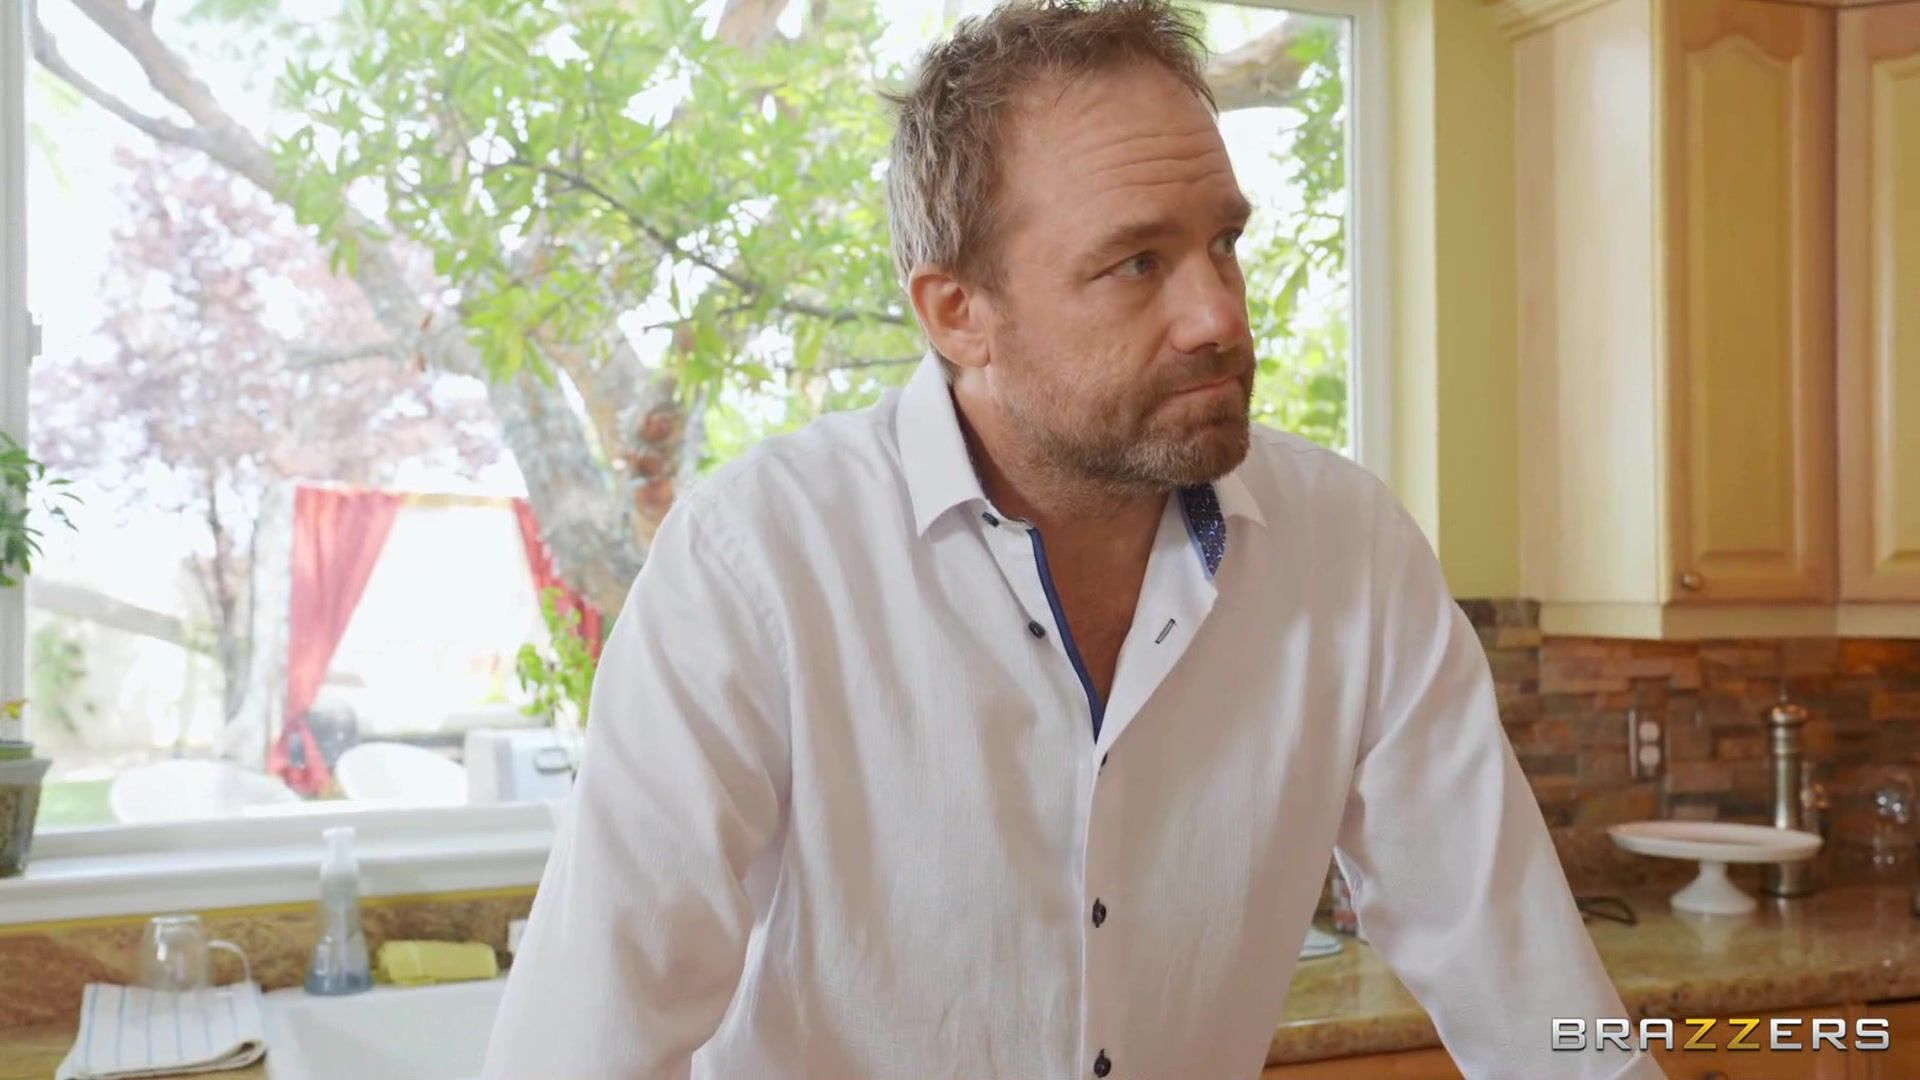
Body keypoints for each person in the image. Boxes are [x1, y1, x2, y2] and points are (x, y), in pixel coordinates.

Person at [482, 2, 1661, 1077]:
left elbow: (1539, 1002)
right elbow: (585, 1042)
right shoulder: (758, 565)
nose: (1218, 315)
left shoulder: (1351, 552)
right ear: (957, 314)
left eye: (1224, 243)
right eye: (1136, 263)